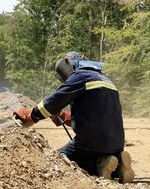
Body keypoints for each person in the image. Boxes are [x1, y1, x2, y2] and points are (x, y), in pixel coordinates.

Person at [13, 51, 134, 183]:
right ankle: (118, 164)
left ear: (67, 63)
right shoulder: (106, 79)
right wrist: (64, 117)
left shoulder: (80, 75)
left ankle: (98, 165)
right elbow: (95, 116)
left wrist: (31, 115)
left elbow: (53, 101)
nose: (65, 79)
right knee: (95, 153)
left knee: (58, 159)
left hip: (91, 143)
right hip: (116, 143)